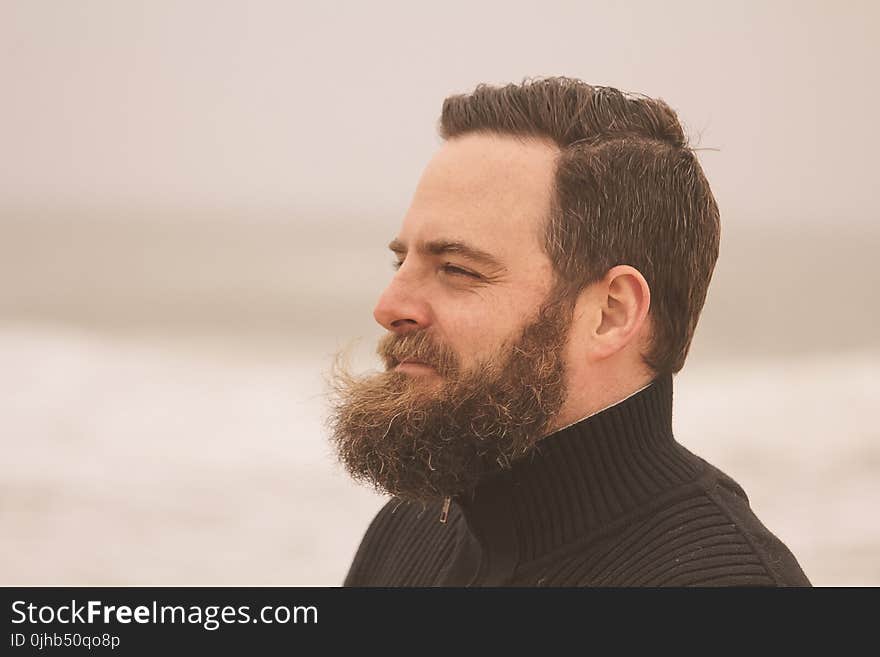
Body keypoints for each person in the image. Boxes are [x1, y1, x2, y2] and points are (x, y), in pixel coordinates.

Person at [327, 77, 810, 587]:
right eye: (401, 262)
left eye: (456, 269)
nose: (389, 307)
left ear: (611, 314)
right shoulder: (412, 532)